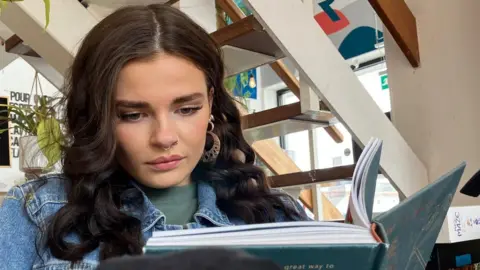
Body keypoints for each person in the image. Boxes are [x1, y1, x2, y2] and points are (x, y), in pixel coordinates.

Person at [0, 4, 308, 270]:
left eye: (186, 109)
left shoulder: (277, 219)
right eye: (133, 115)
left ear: (211, 103)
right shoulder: (35, 213)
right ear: (99, 116)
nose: (164, 137)